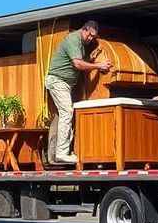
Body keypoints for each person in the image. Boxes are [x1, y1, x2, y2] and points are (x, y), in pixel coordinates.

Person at [45, 20, 112, 164]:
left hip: (67, 84)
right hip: (58, 81)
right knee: (67, 112)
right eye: (90, 35)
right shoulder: (73, 39)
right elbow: (77, 64)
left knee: (65, 114)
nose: (91, 39)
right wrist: (98, 65)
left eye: (94, 37)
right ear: (84, 29)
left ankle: (59, 153)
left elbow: (80, 62)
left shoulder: (81, 44)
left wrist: (91, 60)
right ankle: (62, 153)